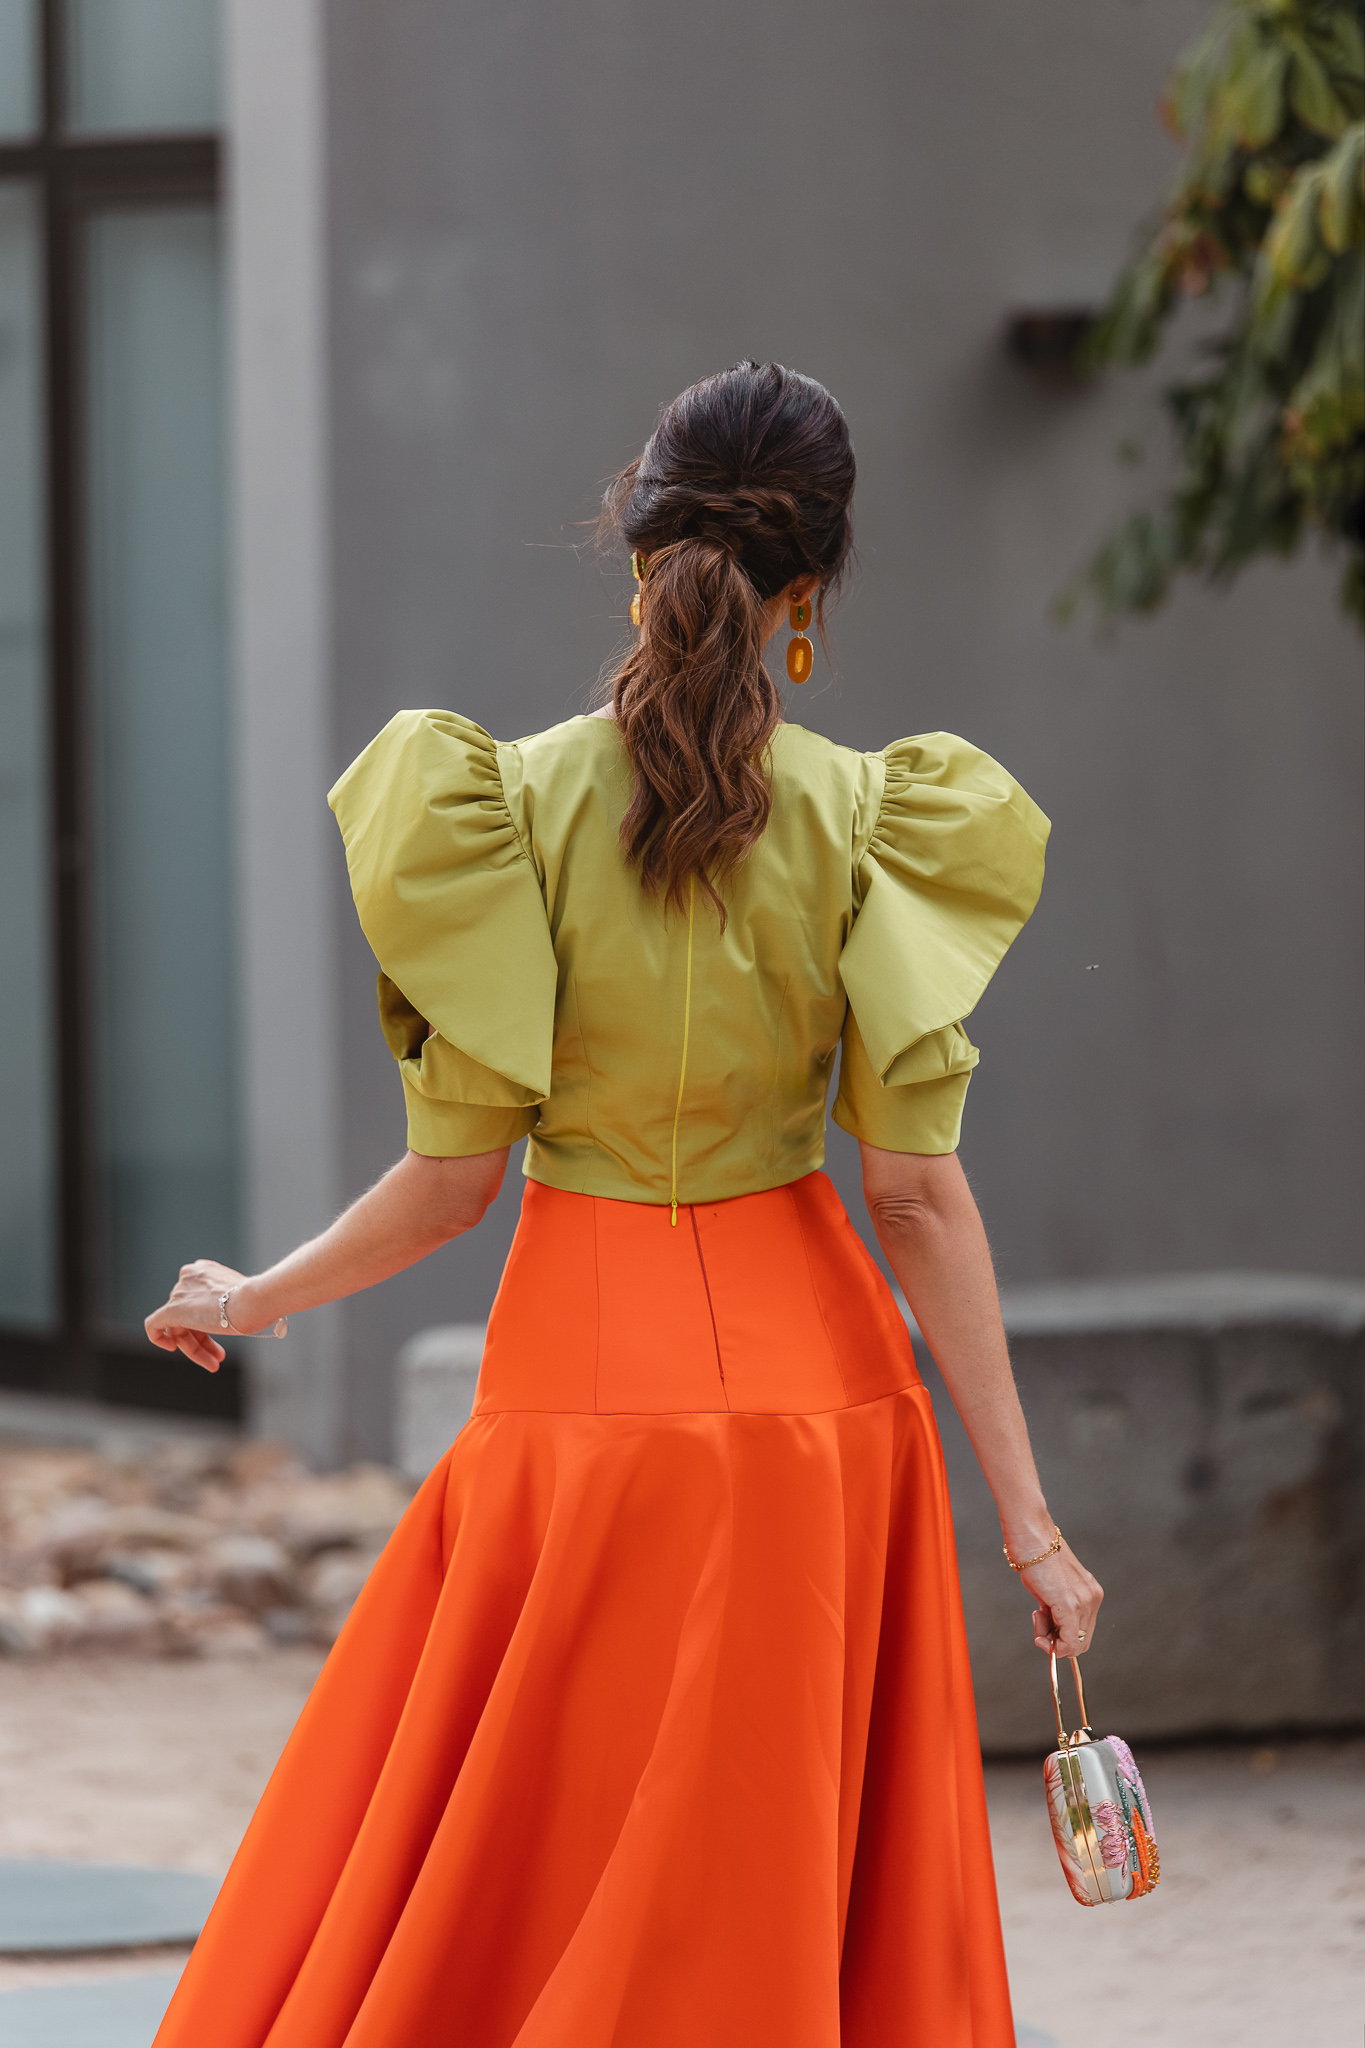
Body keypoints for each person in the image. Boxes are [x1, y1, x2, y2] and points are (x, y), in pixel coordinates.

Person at [146, 360, 1101, 2048]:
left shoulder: (496, 809)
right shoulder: (877, 821)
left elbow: (451, 1189)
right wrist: (1030, 1524)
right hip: (819, 1422)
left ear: (640, 547)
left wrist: (250, 1299)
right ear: (811, 590)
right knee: (766, 1879)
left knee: (517, 1850)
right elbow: (913, 1200)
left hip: (578, 1398)